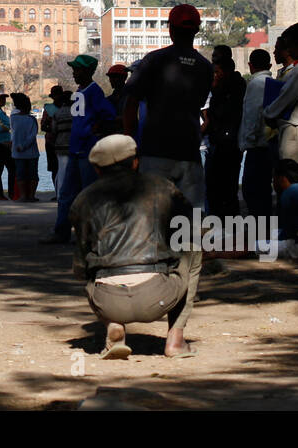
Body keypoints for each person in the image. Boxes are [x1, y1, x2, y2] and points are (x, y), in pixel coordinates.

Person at [70, 134, 201, 359]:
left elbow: (80, 269)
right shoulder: (162, 187)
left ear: (97, 169)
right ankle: (176, 340)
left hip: (108, 301)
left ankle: (114, 327)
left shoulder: (82, 200)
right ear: (135, 162)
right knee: (193, 249)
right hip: (157, 296)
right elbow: (189, 224)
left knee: (92, 268)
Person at [122, 5, 214, 209]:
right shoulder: (206, 67)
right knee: (192, 220)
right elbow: (198, 104)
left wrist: (130, 148)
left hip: (155, 151)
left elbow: (130, 105)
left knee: (154, 217)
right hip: (190, 152)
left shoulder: (154, 60)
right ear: (197, 30)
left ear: (169, 29)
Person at [42, 54, 117, 243]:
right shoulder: (80, 91)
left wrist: (96, 128)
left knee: (89, 194)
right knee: (67, 193)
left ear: (86, 71)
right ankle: (61, 231)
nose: (74, 73)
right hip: (75, 150)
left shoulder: (94, 91)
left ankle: (90, 234)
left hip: (88, 152)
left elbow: (109, 115)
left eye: (77, 69)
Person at [262, 22, 298, 168]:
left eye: (290, 45)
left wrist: (268, 114)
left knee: (290, 177)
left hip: (295, 132)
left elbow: (285, 98)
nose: (288, 50)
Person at [205, 56, 246, 218]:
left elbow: (225, 116)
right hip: (220, 143)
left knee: (226, 187)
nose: (214, 76)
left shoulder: (232, 91)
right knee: (217, 187)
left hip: (227, 144)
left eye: (217, 72)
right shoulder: (219, 92)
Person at [238, 49, 275, 219]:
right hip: (267, 143)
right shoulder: (271, 82)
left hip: (256, 145)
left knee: (251, 189)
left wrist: (247, 142)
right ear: (269, 65)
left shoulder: (255, 84)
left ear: (250, 66)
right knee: (263, 189)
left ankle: (258, 230)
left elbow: (253, 115)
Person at [9, 93, 40, 201]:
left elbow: (13, 135)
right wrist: (24, 146)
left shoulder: (13, 118)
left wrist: (19, 146)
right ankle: (31, 195)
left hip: (18, 152)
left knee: (21, 174)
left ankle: (23, 196)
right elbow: (32, 136)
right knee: (33, 174)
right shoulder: (32, 119)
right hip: (31, 152)